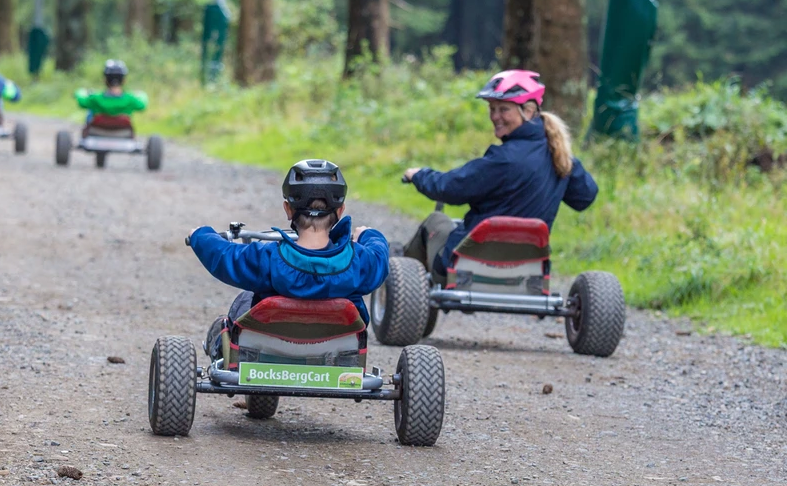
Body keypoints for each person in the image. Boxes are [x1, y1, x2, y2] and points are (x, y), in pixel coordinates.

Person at [402, 69, 598, 284]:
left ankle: (405, 285)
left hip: (467, 267)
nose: (495, 116)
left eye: (503, 109)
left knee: (436, 220)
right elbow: (585, 197)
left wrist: (419, 175)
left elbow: (448, 188)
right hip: (528, 272)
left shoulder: (503, 159)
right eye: (492, 109)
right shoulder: (561, 157)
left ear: (529, 110)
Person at [187, 159, 390, 359]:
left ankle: (226, 346)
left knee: (246, 298)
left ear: (288, 209)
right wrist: (369, 235)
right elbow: (380, 257)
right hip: (337, 348)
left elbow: (224, 256)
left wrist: (201, 236)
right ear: (340, 210)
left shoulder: (267, 258)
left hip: (271, 343)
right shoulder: (359, 261)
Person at [74, 59, 148, 121]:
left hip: (98, 133)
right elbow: (142, 105)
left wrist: (79, 92)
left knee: (90, 112)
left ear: (105, 80)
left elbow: (81, 102)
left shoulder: (95, 99)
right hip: (122, 134)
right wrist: (140, 94)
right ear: (124, 80)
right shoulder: (130, 100)